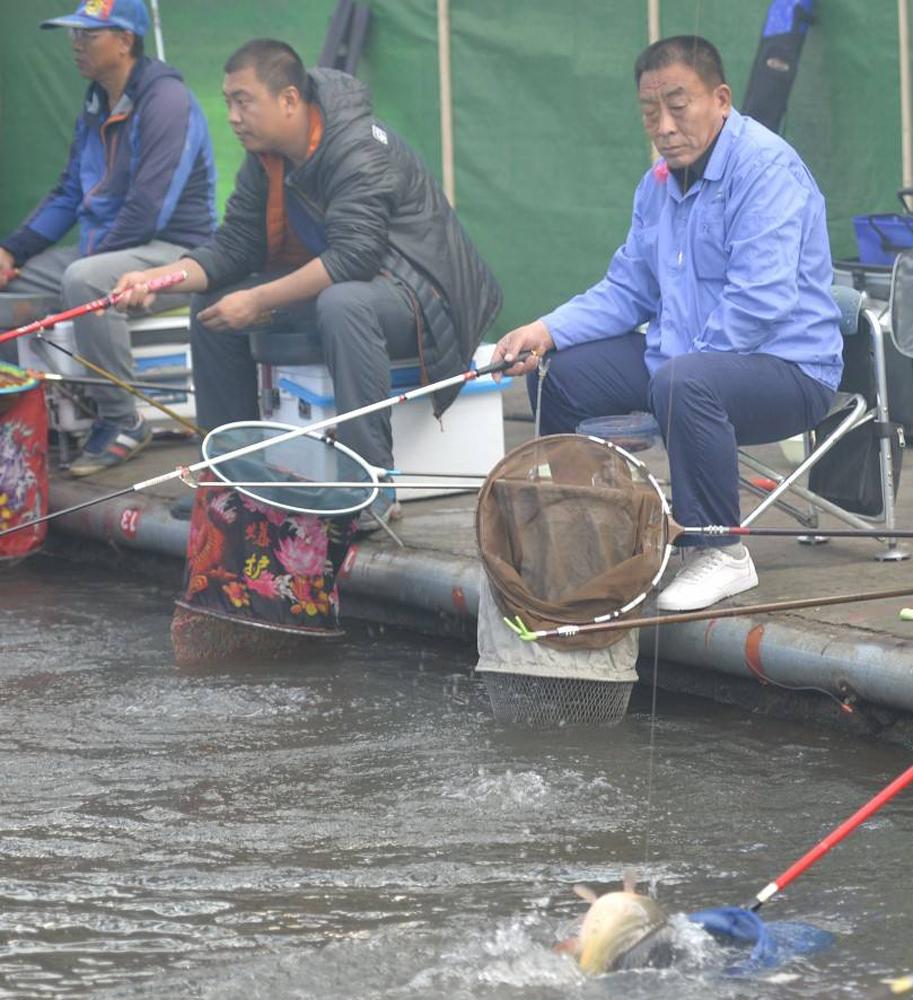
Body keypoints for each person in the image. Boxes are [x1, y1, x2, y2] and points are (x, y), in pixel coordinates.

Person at [493, 35, 842, 613]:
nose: (664, 126)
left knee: (685, 382)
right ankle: (582, 528)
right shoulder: (657, 183)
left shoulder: (767, 169)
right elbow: (628, 290)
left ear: (721, 100)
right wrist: (545, 330)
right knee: (560, 373)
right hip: (681, 365)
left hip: (788, 371)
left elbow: (760, 301)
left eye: (678, 106)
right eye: (650, 111)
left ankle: (719, 551)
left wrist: (675, 375)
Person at [116, 38, 501, 506]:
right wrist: (159, 278)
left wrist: (258, 300)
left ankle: (368, 488)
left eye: (243, 101)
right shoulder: (266, 157)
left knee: (342, 303)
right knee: (214, 307)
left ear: (289, 100)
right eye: (228, 102)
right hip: (358, 284)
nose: (233, 116)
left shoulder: (357, 146)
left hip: (422, 295)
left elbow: (354, 257)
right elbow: (235, 246)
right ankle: (234, 480)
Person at [0, 0, 215, 477]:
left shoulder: (167, 101)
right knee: (17, 285)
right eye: (74, 34)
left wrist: (88, 261)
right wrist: (11, 251)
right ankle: (22, 415)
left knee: (85, 279)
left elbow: (148, 209)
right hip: (108, 248)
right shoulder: (98, 99)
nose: (76, 44)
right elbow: (68, 193)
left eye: (88, 35)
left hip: (177, 252)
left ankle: (123, 420)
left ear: (124, 41)